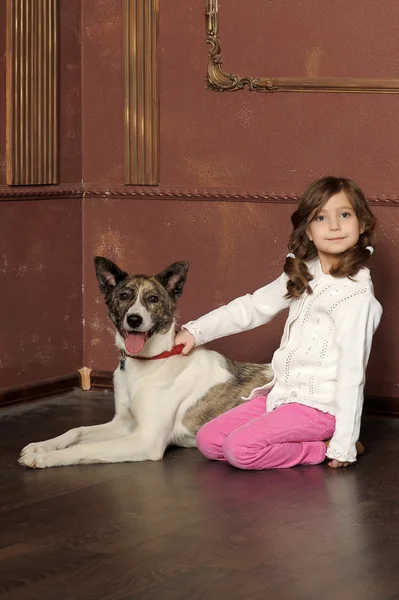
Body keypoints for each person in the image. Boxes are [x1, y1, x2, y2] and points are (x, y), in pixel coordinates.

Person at [175, 176, 383, 470]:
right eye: (321, 217)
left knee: (240, 450)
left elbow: (352, 373)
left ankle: (318, 449)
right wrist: (196, 332)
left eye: (345, 215)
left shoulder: (355, 295)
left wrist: (344, 443)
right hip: (283, 396)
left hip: (321, 408)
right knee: (208, 440)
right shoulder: (305, 273)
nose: (334, 226)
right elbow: (253, 307)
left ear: (361, 225)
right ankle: (289, 436)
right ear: (308, 231)